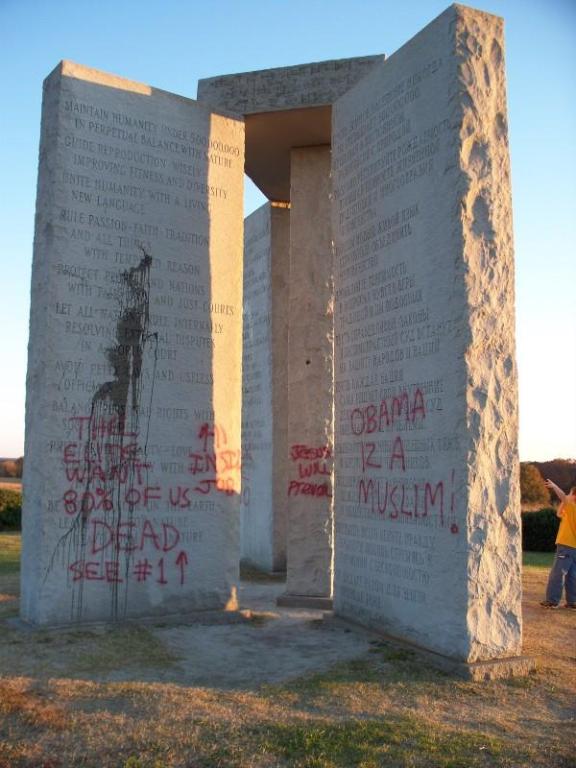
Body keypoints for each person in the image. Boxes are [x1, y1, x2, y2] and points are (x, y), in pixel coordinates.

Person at [540, 480, 576, 608]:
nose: (567, 495)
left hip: (566, 547)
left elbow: (563, 498)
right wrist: (566, 499)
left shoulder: (573, 508)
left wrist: (555, 486)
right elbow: (559, 513)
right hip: (574, 549)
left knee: (557, 573)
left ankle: (552, 601)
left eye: (570, 494)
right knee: (572, 575)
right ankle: (573, 602)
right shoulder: (570, 510)